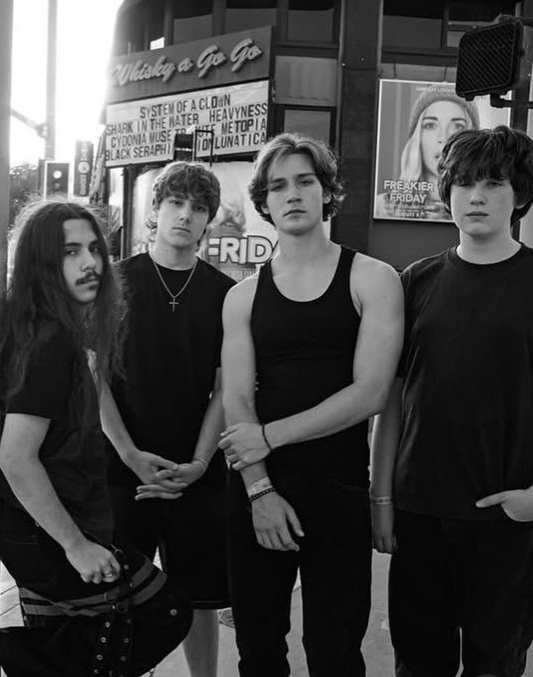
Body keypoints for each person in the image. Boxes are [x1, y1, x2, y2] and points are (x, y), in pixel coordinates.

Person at [220, 132, 403, 676]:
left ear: (327, 192)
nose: (293, 194)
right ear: (264, 201)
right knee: (258, 652)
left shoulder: (373, 278)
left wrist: (269, 435)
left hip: (338, 489)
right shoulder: (242, 297)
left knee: (336, 654)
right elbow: (235, 399)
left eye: (305, 181)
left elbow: (371, 392)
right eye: (278, 186)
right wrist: (259, 490)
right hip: (258, 489)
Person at [0, 201, 192, 677]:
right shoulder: (49, 341)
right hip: (49, 534)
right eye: (70, 252)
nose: (90, 263)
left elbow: (93, 385)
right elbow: (15, 457)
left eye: (94, 249)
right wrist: (75, 545)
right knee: (163, 611)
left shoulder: (59, 330)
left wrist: (128, 452)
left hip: (51, 526)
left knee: (69, 636)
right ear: (41, 263)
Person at [371, 125, 533, 676]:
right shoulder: (414, 282)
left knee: (497, 665)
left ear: (520, 194)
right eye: (464, 183)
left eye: (493, 183)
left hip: (508, 517)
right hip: (419, 514)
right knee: (418, 664)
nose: (476, 196)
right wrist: (382, 497)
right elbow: (393, 402)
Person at [101, 161, 235, 677]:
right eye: (175, 203)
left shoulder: (224, 293)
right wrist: (129, 454)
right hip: (122, 468)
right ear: (154, 210)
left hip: (195, 473)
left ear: (208, 220)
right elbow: (93, 378)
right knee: (119, 596)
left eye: (198, 208)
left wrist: (199, 462)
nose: (185, 215)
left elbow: (225, 388)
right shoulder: (114, 281)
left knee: (198, 598)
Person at [375, 88, 479, 220]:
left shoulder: (483, 206)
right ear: (417, 137)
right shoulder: (382, 208)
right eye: (430, 125)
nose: (443, 138)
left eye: (458, 126)